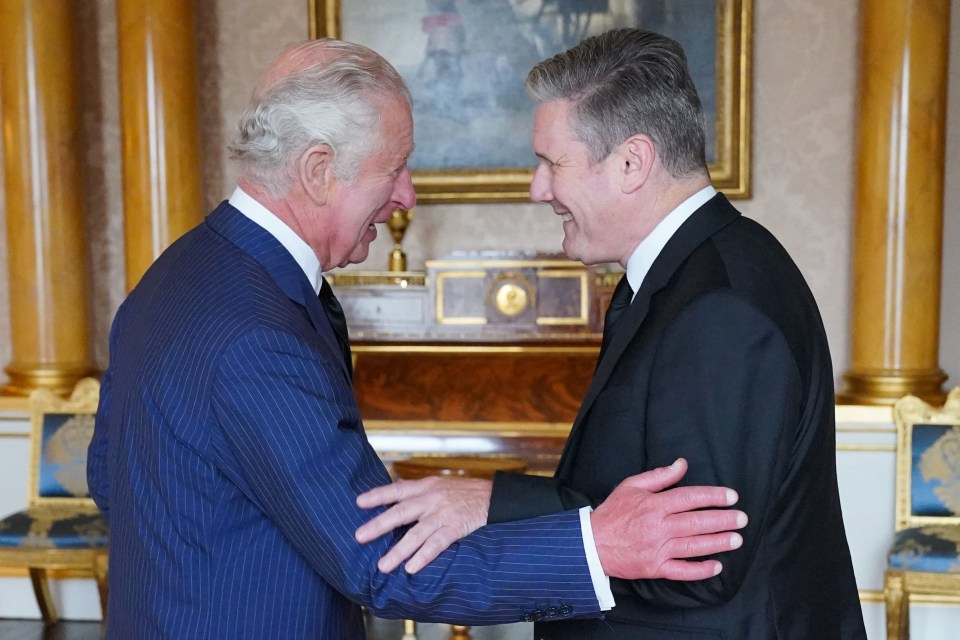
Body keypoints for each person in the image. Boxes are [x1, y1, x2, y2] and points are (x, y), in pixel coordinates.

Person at [86, 38, 748, 640]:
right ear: (319, 171)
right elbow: (385, 568)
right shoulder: (256, 333)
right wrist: (596, 547)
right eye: (395, 168)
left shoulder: (180, 273)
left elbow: (110, 478)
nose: (406, 196)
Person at [356, 28, 867, 639]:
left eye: (552, 163)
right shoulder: (689, 272)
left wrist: (492, 503)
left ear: (632, 161)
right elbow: (625, 509)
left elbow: (699, 558)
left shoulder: (718, 308)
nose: (537, 188)